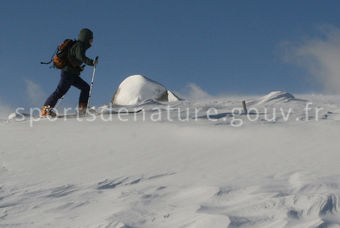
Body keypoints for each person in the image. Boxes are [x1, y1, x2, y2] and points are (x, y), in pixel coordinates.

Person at [41, 28, 98, 117]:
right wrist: (91, 62)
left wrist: (78, 68)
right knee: (60, 91)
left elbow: (73, 60)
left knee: (85, 88)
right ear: (86, 38)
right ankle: (45, 110)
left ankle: (82, 109)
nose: (92, 40)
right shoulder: (79, 45)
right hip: (67, 74)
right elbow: (80, 57)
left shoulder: (79, 46)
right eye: (91, 38)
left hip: (72, 74)